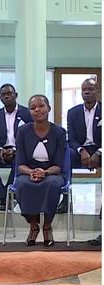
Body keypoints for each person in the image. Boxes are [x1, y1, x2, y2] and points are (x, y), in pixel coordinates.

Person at [15, 95, 66, 247]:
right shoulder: (23, 131)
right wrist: (31, 172)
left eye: (41, 106)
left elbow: (59, 165)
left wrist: (45, 173)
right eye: (33, 108)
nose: (37, 110)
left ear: (48, 108)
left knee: (52, 185)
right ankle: (33, 225)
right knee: (22, 184)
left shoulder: (59, 132)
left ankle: (47, 226)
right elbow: (20, 164)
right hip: (28, 171)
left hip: (52, 172)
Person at [0, 83, 33, 210]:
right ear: (0, 98)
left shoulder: (27, 113)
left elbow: (30, 137)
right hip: (1, 150)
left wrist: (14, 150)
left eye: (9, 94)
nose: (6, 97)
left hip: (20, 150)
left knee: (20, 160)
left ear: (16, 95)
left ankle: (11, 194)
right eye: (3, 95)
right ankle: (2, 197)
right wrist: (0, 150)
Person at [57, 78, 102, 213]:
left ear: (98, 91)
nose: (86, 92)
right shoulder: (73, 112)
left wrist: (99, 152)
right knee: (65, 155)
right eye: (84, 90)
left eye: (90, 89)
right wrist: (81, 151)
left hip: (100, 148)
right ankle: (65, 199)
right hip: (80, 149)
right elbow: (71, 139)